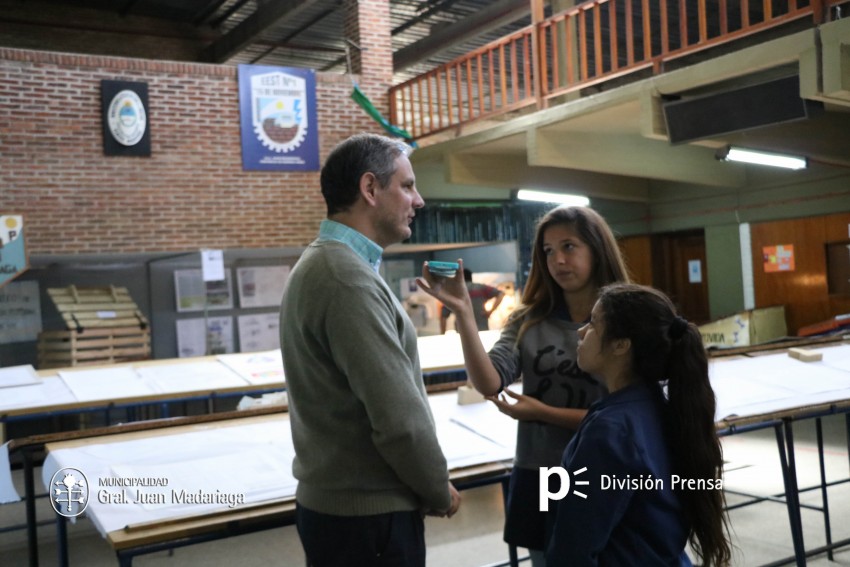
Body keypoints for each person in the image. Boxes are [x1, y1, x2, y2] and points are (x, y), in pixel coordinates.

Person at [280, 133, 460, 567]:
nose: (419, 200)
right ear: (370, 188)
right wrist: (437, 488)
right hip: (367, 520)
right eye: (408, 185)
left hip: (348, 515)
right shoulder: (345, 278)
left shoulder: (331, 264)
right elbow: (399, 421)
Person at [417, 206, 630, 566]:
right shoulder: (530, 320)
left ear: (597, 249)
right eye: (548, 251)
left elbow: (631, 418)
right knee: (549, 558)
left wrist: (543, 413)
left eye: (569, 246)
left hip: (607, 470)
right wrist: (464, 314)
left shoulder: (628, 318)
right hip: (544, 472)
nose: (558, 260)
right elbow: (489, 381)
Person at [546, 283, 731, 566]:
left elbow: (573, 548)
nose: (581, 332)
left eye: (593, 324)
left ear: (621, 345)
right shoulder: (660, 409)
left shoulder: (610, 431)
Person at [439, 268, 505, 333]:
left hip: (462, 331)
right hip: (481, 328)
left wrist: (442, 333)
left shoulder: (454, 292)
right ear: (470, 277)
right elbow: (501, 294)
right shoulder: (481, 288)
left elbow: (443, 315)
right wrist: (490, 311)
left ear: (458, 278)